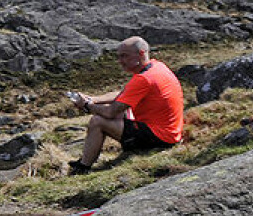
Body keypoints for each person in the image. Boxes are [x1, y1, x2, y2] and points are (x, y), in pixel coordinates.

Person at [68, 36, 183, 174]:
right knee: (120, 112)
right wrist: (94, 99)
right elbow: (124, 94)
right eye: (119, 56)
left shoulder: (143, 79)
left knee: (97, 121)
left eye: (125, 56)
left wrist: (87, 106)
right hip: (171, 132)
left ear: (141, 53)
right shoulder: (157, 67)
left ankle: (83, 167)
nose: (120, 61)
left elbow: (110, 112)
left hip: (160, 138)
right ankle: (85, 162)